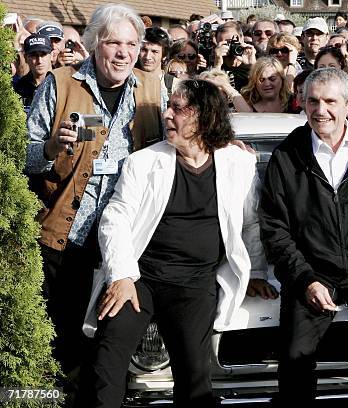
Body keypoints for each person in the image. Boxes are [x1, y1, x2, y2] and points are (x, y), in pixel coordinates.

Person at [79, 79, 277, 407]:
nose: (167, 115)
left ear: (205, 117)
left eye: (179, 109)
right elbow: (115, 218)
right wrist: (122, 275)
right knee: (107, 359)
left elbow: (250, 223)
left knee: (195, 372)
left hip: (196, 283)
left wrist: (256, 272)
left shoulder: (238, 164)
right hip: (140, 278)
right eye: (168, 107)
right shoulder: (143, 162)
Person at [24, 3, 164, 385]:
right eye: (113, 42)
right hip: (65, 239)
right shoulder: (61, 83)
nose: (124, 53)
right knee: (59, 341)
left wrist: (229, 146)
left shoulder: (150, 92)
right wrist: (51, 148)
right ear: (94, 43)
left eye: (132, 44)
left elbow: (178, 146)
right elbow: (22, 155)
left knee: (106, 350)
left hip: (124, 246)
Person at [258, 67, 348, 404]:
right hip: (313, 272)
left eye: (330, 102)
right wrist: (304, 279)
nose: (321, 110)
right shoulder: (286, 155)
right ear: (303, 104)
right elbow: (274, 227)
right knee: (294, 363)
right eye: (313, 102)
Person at [212, 21, 257, 93]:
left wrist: (253, 66)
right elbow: (211, 93)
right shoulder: (212, 61)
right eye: (223, 43)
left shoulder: (255, 55)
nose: (228, 46)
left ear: (242, 38)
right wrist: (217, 65)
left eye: (230, 42)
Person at [14, 33, 53, 113]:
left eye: (43, 55)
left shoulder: (59, 84)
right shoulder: (18, 87)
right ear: (25, 58)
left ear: (51, 55)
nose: (39, 61)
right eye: (34, 55)